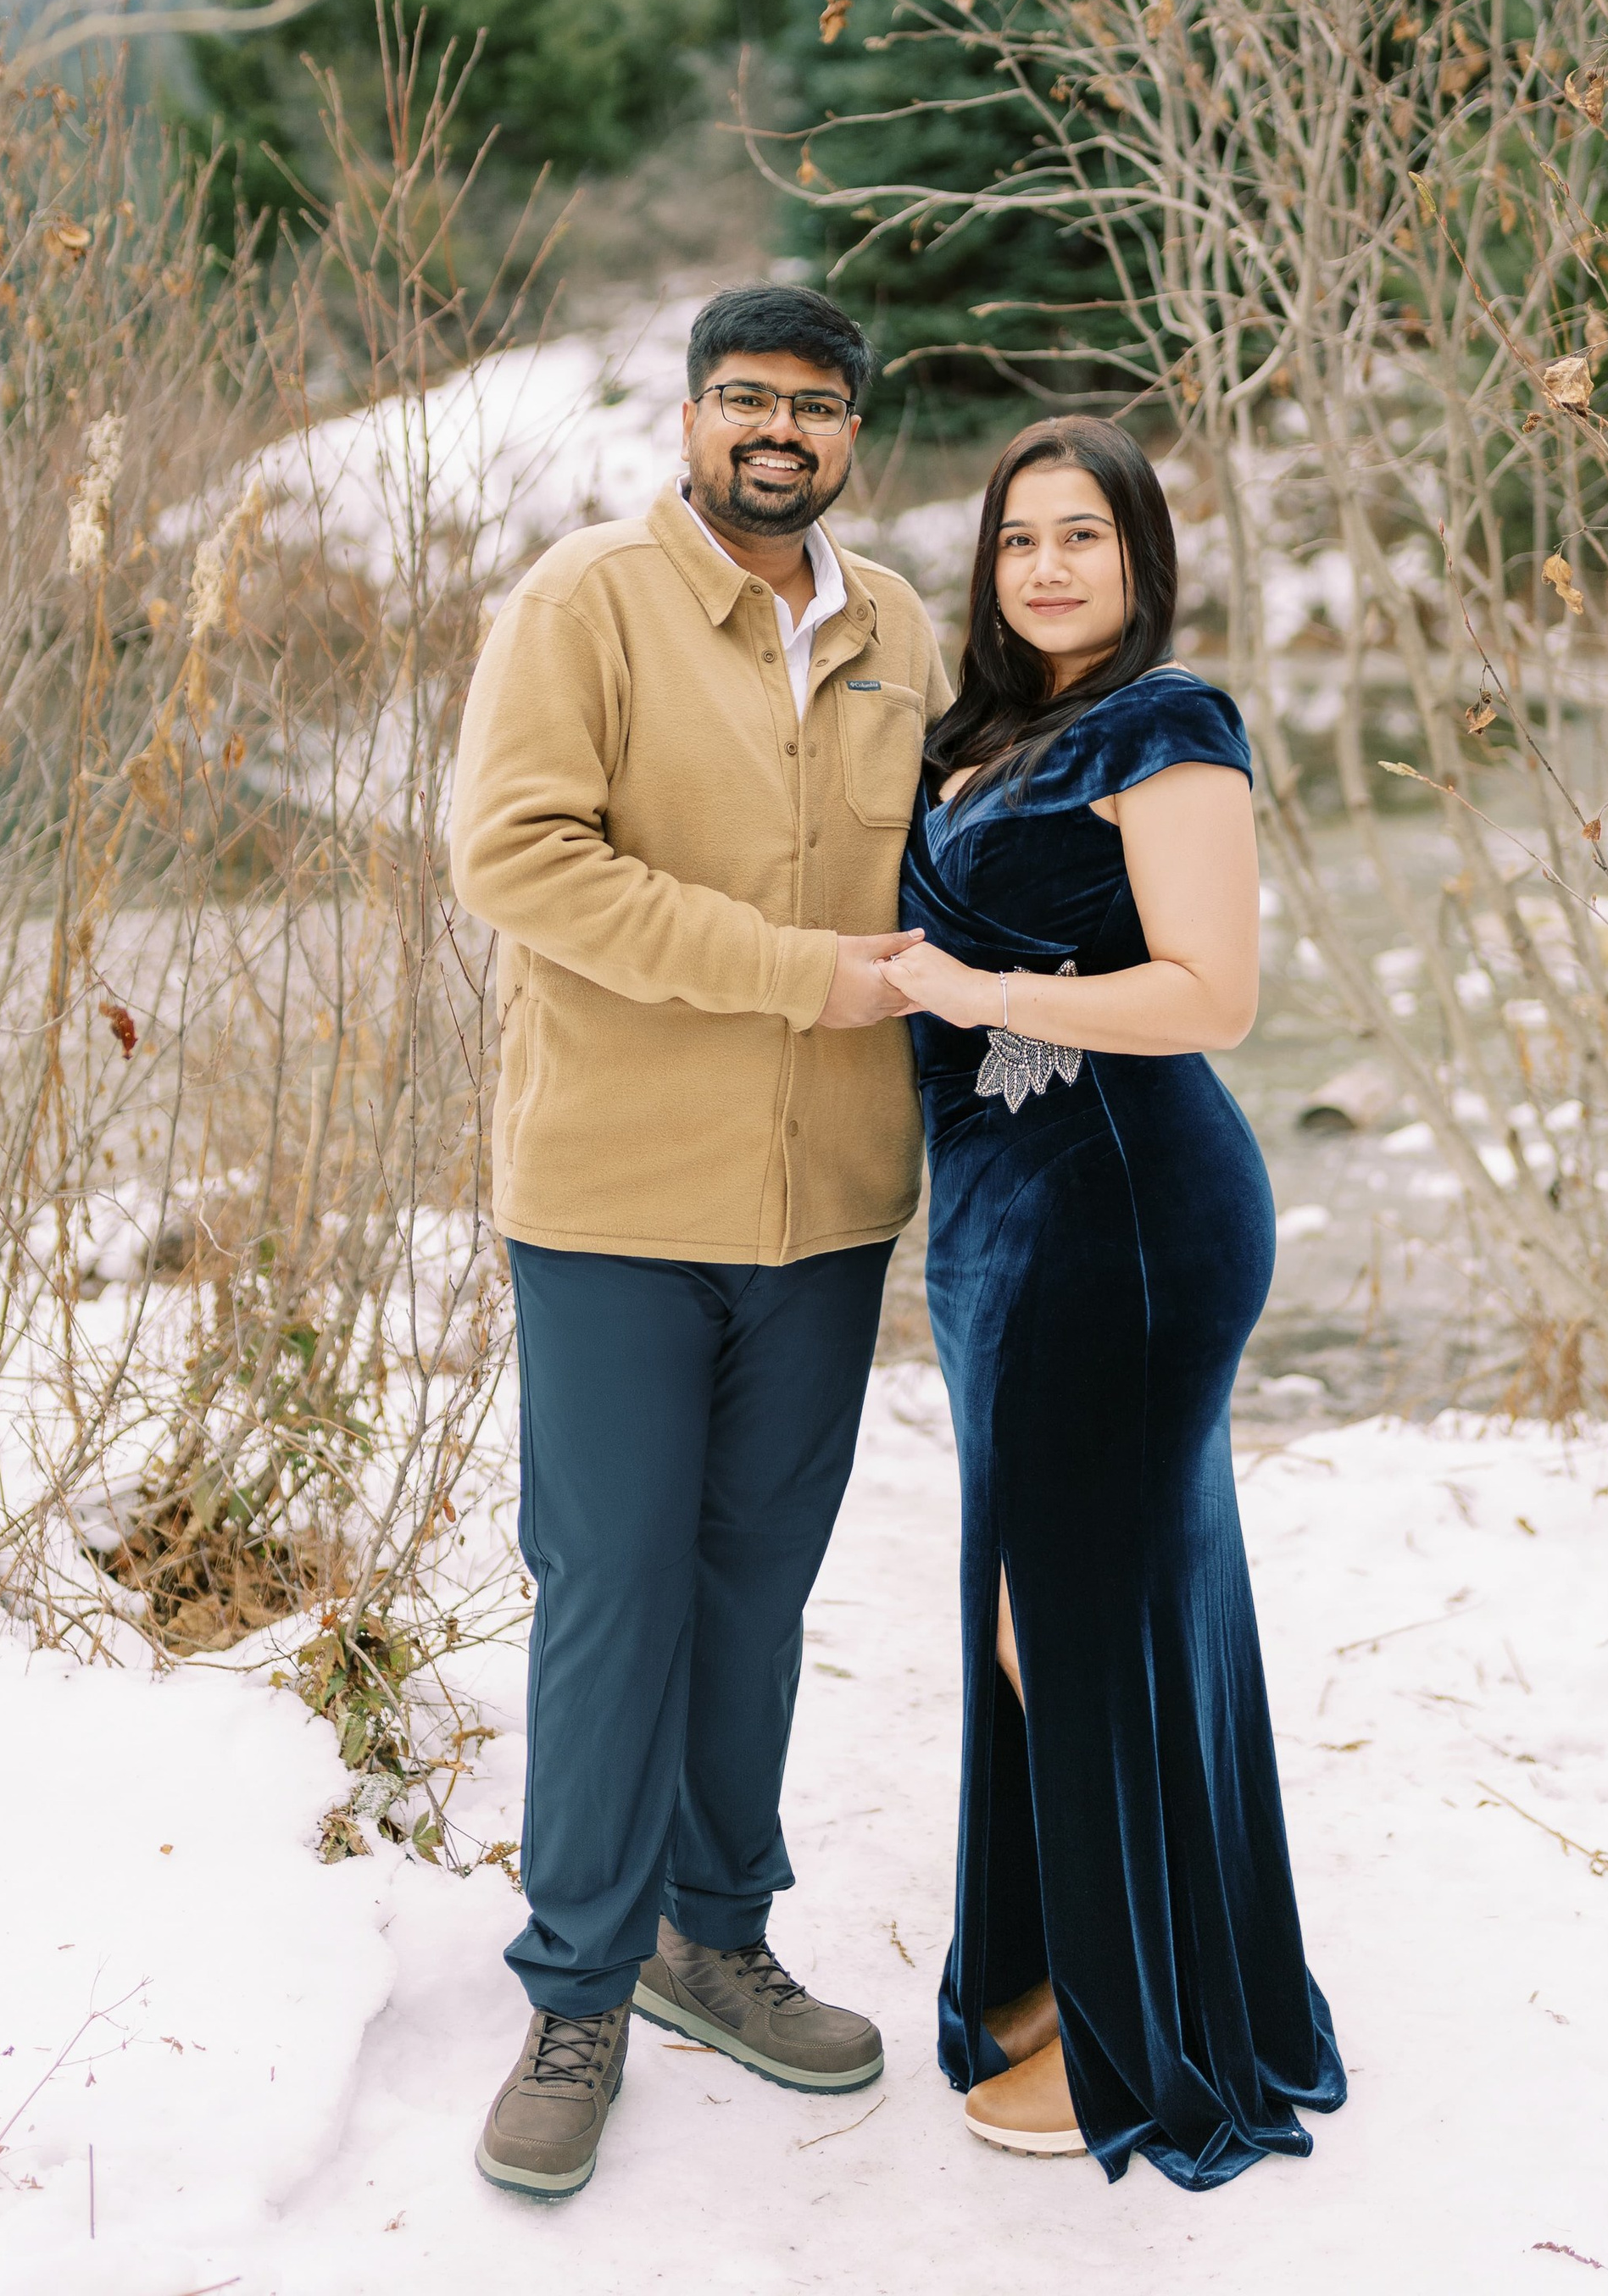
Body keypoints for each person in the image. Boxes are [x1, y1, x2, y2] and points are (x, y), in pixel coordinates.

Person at [448, 283, 950, 2199]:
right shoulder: (583, 602)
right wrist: (795, 973)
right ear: (688, 417)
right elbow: (518, 857)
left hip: (826, 1209)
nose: (777, 429)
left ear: (850, 435)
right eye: (745, 396)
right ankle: (575, 1991)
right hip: (616, 1198)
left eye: (813, 404)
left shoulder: (896, 626)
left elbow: (946, 867)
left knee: (753, 1590)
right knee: (614, 1590)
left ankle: (712, 1937)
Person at [876, 415, 1345, 2183]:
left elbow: (1209, 995)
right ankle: (1120, 1973)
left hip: (1125, 1216)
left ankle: (1140, 2034)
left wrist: (976, 983)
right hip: (998, 1228)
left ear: (1141, 554)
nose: (1048, 566)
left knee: (1063, 1617)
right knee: (1079, 1602)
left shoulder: (1166, 726)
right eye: (1018, 538)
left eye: (1083, 533)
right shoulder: (977, 738)